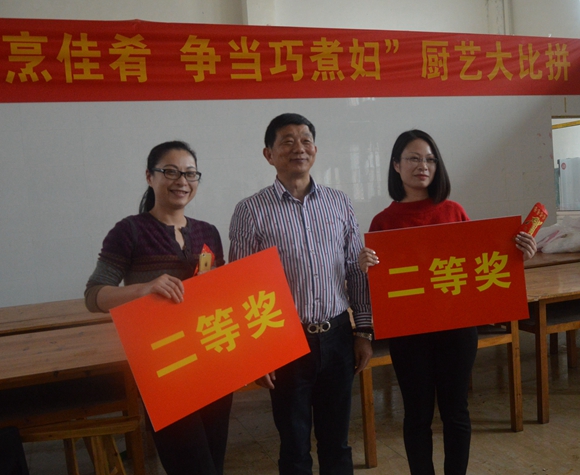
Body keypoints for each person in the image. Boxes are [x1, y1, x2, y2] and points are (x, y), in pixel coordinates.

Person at [359, 129, 537, 475]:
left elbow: (480, 266)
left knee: (456, 412)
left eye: (429, 159)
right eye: (413, 158)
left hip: (456, 330)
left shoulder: (454, 211)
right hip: (409, 334)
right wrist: (366, 266)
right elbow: (382, 285)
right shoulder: (383, 222)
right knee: (417, 415)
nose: (422, 166)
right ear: (396, 165)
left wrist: (518, 255)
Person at [229, 113, 373, 475]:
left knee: (337, 441)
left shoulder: (339, 202)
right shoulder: (250, 210)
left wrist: (363, 331)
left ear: (315, 150)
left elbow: (355, 269)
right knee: (294, 447)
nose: (299, 148)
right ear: (269, 154)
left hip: (337, 336)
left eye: (306, 140)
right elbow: (243, 287)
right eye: (287, 141)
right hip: (284, 341)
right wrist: (257, 353)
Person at [85, 140, 232, 475]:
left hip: (212, 361)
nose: (182, 181)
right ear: (150, 177)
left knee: (214, 463)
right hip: (164, 369)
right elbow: (94, 295)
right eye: (171, 172)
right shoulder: (129, 231)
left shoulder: (208, 232)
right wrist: (144, 289)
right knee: (192, 467)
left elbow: (220, 296)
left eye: (190, 173)